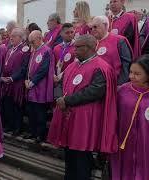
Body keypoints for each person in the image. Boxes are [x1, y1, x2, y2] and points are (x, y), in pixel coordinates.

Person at [48, 35, 118, 180]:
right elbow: (59, 84)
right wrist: (59, 98)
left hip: (84, 120)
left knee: (81, 157)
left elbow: (95, 91)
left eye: (78, 47)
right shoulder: (73, 65)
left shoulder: (101, 67)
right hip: (68, 115)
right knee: (69, 154)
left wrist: (67, 100)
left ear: (90, 48)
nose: (74, 50)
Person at [110, 55, 149, 180]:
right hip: (123, 144)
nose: (131, 76)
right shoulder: (122, 91)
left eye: (137, 74)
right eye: (131, 72)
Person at [24, 30, 55, 143]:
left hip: (40, 87)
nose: (31, 44)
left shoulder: (46, 51)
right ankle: (32, 132)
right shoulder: (34, 51)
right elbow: (29, 68)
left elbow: (43, 70)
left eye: (32, 41)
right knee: (31, 111)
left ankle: (40, 135)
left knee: (40, 112)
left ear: (39, 38)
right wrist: (26, 80)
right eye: (30, 42)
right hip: (31, 86)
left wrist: (32, 82)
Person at [0, 28, 30, 136]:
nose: (11, 38)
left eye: (14, 36)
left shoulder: (24, 49)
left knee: (17, 106)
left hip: (16, 83)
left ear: (20, 38)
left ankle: (17, 127)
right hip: (7, 83)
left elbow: (23, 68)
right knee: (8, 105)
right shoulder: (9, 49)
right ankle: (9, 125)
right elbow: (5, 64)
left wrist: (12, 78)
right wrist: (3, 76)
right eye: (11, 35)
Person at [90, 15, 133, 85]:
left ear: (105, 25)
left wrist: (119, 85)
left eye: (95, 27)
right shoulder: (91, 43)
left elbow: (126, 65)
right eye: (91, 28)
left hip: (114, 83)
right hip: (96, 85)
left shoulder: (119, 40)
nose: (93, 30)